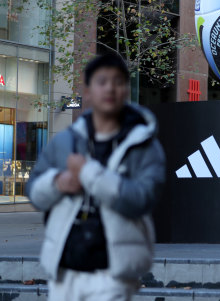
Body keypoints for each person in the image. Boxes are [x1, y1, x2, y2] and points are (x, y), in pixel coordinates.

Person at [25, 54, 166, 301]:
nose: (110, 88)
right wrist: (58, 182)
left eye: (118, 81)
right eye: (102, 81)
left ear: (126, 90)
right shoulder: (65, 141)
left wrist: (89, 173)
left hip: (112, 274)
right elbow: (34, 192)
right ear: (87, 91)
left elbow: (142, 199)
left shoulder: (143, 145)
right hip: (64, 271)